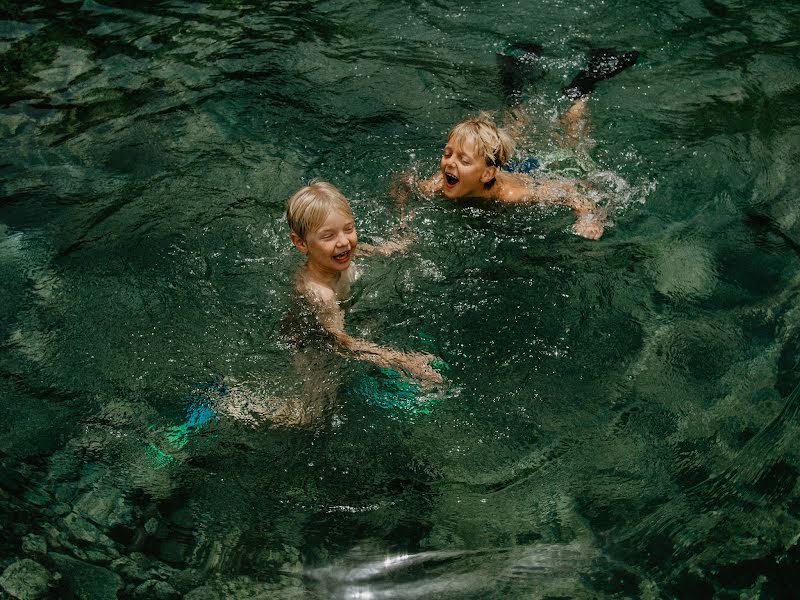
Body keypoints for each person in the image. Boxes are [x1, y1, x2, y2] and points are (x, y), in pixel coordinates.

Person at [399, 47, 639, 241]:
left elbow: (570, 191)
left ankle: (583, 86)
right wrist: (403, 231)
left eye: (462, 160)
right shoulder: (441, 182)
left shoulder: (513, 194)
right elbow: (404, 187)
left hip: (535, 170)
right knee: (516, 129)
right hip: (502, 165)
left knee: (572, 140)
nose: (449, 163)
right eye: (448, 154)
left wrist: (588, 218)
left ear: (487, 174)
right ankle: (517, 83)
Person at [285, 181, 442, 385]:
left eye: (348, 229)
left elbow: (377, 250)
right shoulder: (320, 293)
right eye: (328, 236)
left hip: (339, 320)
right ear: (301, 243)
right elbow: (342, 343)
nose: (343, 242)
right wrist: (402, 361)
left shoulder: (342, 254)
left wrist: (402, 241)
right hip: (310, 348)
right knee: (313, 410)